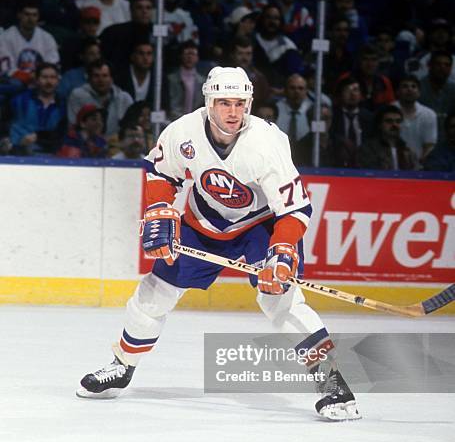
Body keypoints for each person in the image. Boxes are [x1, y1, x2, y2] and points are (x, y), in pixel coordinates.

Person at [76, 66, 361, 422]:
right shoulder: (182, 132)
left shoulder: (266, 144)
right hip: (205, 220)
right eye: (224, 102)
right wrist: (161, 208)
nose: (232, 112)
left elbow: (295, 208)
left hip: (261, 225)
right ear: (209, 102)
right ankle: (122, 366)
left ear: (249, 104)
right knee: (154, 292)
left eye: (240, 103)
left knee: (281, 301)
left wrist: (283, 252)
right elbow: (162, 173)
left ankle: (331, 380)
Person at [9, 62, 66, 154]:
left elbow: (60, 135)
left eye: (52, 77)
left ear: (58, 80)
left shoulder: (63, 105)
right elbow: (5, 124)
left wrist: (39, 137)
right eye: (44, 77)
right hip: (18, 154)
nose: (49, 82)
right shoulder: (19, 100)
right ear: (36, 80)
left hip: (50, 156)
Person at [67, 59, 133, 136]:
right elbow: (73, 126)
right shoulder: (77, 95)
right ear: (89, 78)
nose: (101, 80)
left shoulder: (124, 98)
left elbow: (132, 127)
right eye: (96, 76)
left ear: (111, 79)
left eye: (105, 76)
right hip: (85, 144)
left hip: (118, 144)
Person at [394, 74, 438, 166]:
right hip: (391, 167)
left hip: (420, 169)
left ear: (419, 92)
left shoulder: (429, 114)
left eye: (413, 86)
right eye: (405, 86)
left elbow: (429, 145)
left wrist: (421, 164)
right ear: (397, 92)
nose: (409, 89)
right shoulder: (388, 111)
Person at [357, 104, 416, 170]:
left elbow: (417, 173)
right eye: (389, 121)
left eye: (398, 121)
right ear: (379, 125)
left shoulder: (407, 150)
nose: (394, 125)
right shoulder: (368, 149)